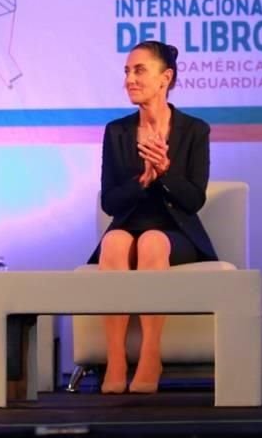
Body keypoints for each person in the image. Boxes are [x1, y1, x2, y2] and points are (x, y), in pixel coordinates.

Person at [86, 40, 216, 394]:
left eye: (139, 70)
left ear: (165, 77)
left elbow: (193, 200)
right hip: (128, 226)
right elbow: (111, 202)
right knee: (113, 241)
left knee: (152, 241)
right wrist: (142, 181)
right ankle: (114, 359)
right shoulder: (117, 131)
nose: (130, 78)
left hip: (176, 233)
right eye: (127, 71)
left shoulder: (194, 130)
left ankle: (150, 356)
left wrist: (166, 171)